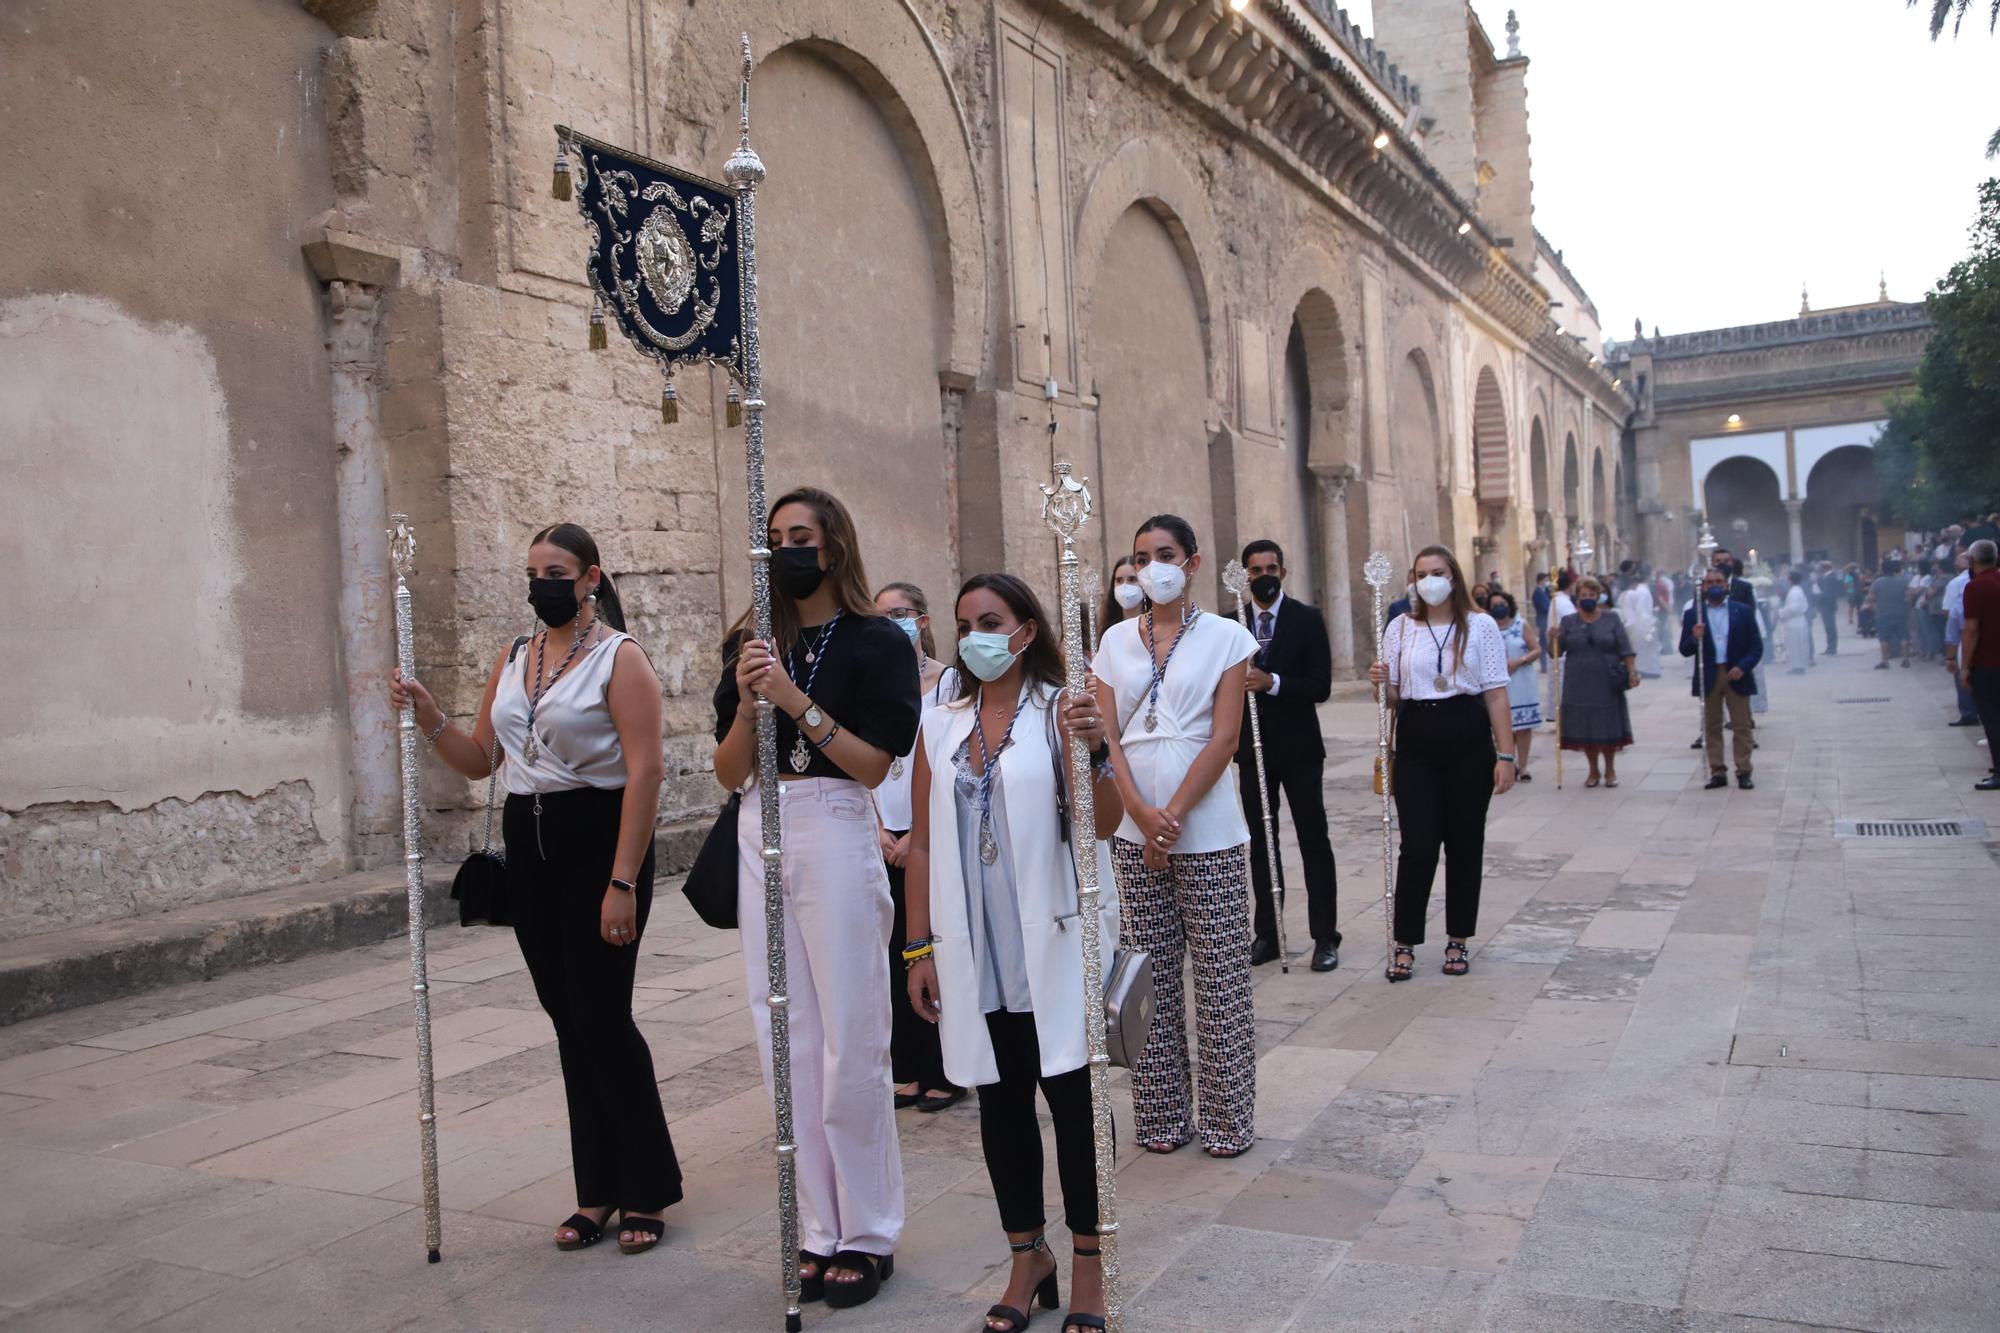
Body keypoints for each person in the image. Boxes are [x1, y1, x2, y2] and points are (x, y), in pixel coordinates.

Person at [391, 522, 681, 1256]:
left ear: (589, 578)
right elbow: (482, 759)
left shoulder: (621, 658)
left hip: (599, 838)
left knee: (602, 1014)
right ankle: (599, 1186)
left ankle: (645, 1183)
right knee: (567, 1017)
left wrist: (623, 880)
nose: (540, 583)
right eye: (532, 571)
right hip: (531, 839)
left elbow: (645, 772)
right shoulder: (516, 657)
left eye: (555, 570)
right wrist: (430, 719)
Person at [712, 487, 920, 1309]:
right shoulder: (751, 639)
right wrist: (748, 695)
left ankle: (868, 1230)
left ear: (834, 544)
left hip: (835, 820)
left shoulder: (878, 641)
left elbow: (874, 766)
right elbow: (731, 772)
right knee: (783, 1030)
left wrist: (795, 703)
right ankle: (813, 1226)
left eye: (801, 536)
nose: (786, 550)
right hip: (760, 821)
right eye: (774, 538)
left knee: (851, 1035)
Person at [903, 574, 1122, 1333]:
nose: (974, 637)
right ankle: (1028, 1254)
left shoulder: (1066, 706)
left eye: (989, 621)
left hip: (1050, 941)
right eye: (964, 623)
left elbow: (1104, 823)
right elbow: (924, 839)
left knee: (1071, 1099)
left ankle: (1091, 1263)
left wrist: (1092, 750)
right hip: (974, 947)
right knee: (999, 1102)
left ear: (1026, 629)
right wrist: (916, 946)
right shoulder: (941, 718)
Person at [1094, 514, 1259, 1158]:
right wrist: (1140, 813)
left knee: (1220, 975)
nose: (1150, 567)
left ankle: (1226, 1118)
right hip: (1136, 831)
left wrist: (1176, 813)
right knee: (1150, 974)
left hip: (1208, 827)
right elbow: (1107, 738)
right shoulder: (1113, 640)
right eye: (1140, 556)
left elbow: (1225, 737)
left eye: (1165, 554)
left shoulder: (1226, 637)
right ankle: (1160, 1114)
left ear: (1190, 564)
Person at [1368, 545, 1515, 982]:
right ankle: (1405, 941)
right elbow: (1393, 697)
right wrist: (1380, 682)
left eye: (1437, 571)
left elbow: (1495, 692)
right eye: (1421, 573)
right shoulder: (1400, 627)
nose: (1429, 580)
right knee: (1419, 845)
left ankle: (1458, 938)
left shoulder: (1481, 626)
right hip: (1417, 739)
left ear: (1453, 575)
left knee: (1465, 843)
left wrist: (1506, 754)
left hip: (1468, 735)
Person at [871, 581, 963, 1114]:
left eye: (901, 613)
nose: (892, 623)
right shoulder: (876, 680)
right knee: (891, 954)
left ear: (923, 620)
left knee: (932, 946)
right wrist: (881, 827)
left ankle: (946, 1068)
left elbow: (950, 757)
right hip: (883, 830)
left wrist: (916, 835)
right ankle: (906, 1066)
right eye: (881, 616)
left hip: (930, 830)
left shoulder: (948, 682)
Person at [1235, 540, 1341, 972]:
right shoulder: (1232, 621)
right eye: (1256, 568)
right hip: (1251, 750)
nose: (1264, 575)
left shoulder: (1307, 619)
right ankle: (1269, 933)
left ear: (1283, 571)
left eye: (1272, 567)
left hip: (1299, 748)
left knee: (1313, 839)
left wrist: (1272, 681)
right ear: (1245, 574)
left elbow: (1320, 685)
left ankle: (1325, 936)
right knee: (1262, 842)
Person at [1682, 565, 1763, 791]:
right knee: (1712, 725)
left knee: (1741, 725)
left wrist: (1743, 667)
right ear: (1703, 587)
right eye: (1710, 583)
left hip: (1735, 671)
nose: (1714, 586)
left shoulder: (1743, 611)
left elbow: (1756, 646)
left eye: (1719, 581)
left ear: (1726, 585)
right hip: (1709, 673)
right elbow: (1684, 649)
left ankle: (1744, 770)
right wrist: (1693, 636)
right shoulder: (1694, 614)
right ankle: (1717, 771)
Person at [1556, 576, 1637, 787]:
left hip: (1606, 678)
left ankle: (1610, 769)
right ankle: (1593, 770)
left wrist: (1632, 671)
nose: (1588, 599)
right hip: (1578, 680)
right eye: (1584, 595)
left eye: (1592, 595)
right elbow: (1555, 652)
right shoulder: (1568, 622)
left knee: (1607, 723)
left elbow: (1625, 647)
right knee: (1585, 725)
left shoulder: (1611, 619)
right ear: (1577, 598)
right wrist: (1552, 637)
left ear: (1598, 596)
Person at [1960, 539, 2000, 791]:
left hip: (1988, 663)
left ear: (1973, 561)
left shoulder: (1976, 587)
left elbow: (1971, 629)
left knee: (1993, 718)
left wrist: (1964, 667)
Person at [1489, 592, 1542, 781]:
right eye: (1494, 604)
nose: (1499, 607)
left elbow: (1536, 649)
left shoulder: (1520, 625)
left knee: (1523, 727)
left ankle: (1524, 765)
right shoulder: (1487, 628)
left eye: (1502, 603)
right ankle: (1507, 762)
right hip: (1498, 682)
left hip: (1521, 679)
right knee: (1503, 725)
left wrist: (1520, 660)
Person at [1944, 550, 1981, 727]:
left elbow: (1952, 616)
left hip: (1965, 637)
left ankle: (1969, 713)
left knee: (1964, 675)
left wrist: (1950, 657)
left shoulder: (1959, 584)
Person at [1618, 562, 1662, 678]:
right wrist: (1650, 623)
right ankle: (1647, 670)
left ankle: (1647, 669)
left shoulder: (1641, 590)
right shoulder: (1642, 591)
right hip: (1643, 624)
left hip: (1642, 623)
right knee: (1645, 650)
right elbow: (1641, 611)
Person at [1871, 558, 1911, 669]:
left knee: (1884, 638)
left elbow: (1871, 597)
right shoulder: (1902, 581)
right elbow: (1908, 597)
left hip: (1883, 613)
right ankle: (1906, 659)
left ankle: (1885, 661)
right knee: (1903, 636)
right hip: (1900, 612)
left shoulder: (1877, 582)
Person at [1097, 555, 1142, 649]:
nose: (1124, 586)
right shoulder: (1108, 630)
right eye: (1119, 580)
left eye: (1132, 579)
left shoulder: (1153, 626)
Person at [1779, 569, 1813, 675]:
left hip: (1795, 621)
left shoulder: (1794, 592)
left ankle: (1797, 666)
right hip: (1798, 620)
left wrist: (1782, 613)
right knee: (1798, 644)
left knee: (1795, 644)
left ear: (1790, 580)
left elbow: (1793, 608)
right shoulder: (1798, 590)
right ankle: (1798, 665)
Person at [1814, 560, 1840, 656]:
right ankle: (1830, 647)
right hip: (1826, 605)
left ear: (1825, 568)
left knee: (1830, 627)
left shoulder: (1831, 577)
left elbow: (1828, 593)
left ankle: (1832, 647)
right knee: (1828, 627)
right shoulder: (1826, 577)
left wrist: (1818, 596)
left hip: (1828, 605)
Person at [1531, 572, 1553, 675]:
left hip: (1545, 619)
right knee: (1543, 643)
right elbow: (1543, 607)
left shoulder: (1543, 591)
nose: (1546, 582)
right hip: (1542, 619)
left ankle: (1545, 665)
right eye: (1545, 580)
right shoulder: (1537, 593)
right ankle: (1544, 666)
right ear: (1540, 581)